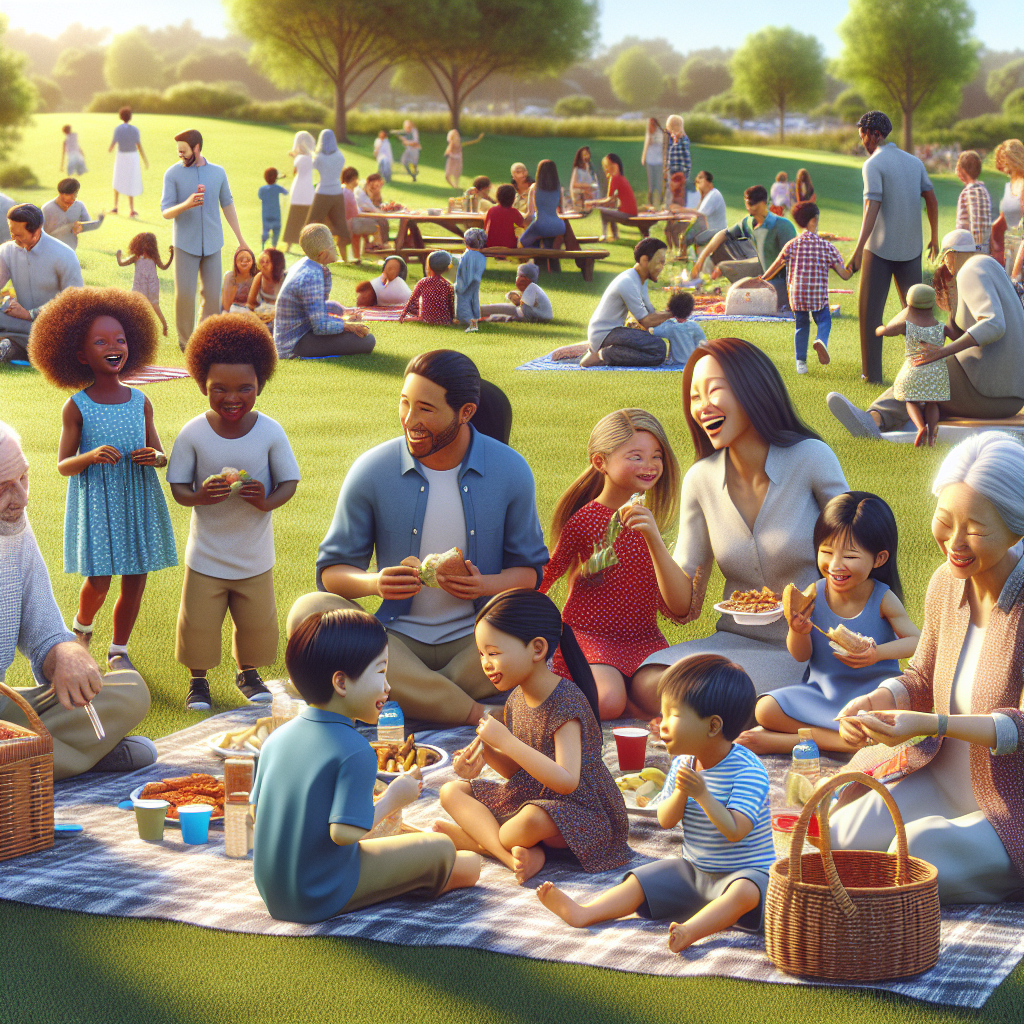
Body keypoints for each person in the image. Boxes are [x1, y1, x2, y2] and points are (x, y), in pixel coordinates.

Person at [290, 349, 549, 726]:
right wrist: (376, 583)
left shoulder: (511, 470)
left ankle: (393, 692)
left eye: (426, 409)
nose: (410, 420)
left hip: (478, 646)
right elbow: (332, 574)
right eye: (405, 403)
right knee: (309, 611)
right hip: (390, 643)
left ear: (465, 412)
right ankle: (471, 711)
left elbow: (529, 574)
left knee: (541, 623)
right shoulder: (372, 469)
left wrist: (483, 586)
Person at [830, 434, 1024, 905]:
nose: (954, 543)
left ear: (1016, 528)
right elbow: (920, 677)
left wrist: (932, 723)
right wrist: (877, 700)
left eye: (974, 529)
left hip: (1009, 804)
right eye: (945, 521)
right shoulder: (945, 584)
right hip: (941, 776)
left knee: (912, 857)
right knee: (837, 835)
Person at [628, 338, 848, 709]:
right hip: (734, 645)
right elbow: (683, 606)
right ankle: (723, 714)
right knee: (647, 681)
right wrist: (651, 535)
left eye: (714, 391)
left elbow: (858, 547)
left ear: (752, 389)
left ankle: (722, 714)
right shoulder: (701, 479)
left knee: (722, 698)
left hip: (809, 644)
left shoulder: (810, 457)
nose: (703, 407)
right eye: (695, 397)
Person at [251, 607, 478, 923]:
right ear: (341, 683)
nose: (387, 686)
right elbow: (345, 833)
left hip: (273, 890)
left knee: (418, 847)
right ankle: (424, 879)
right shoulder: (355, 750)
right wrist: (394, 798)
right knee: (450, 853)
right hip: (321, 893)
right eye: (380, 671)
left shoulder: (276, 738)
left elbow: (256, 813)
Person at [537, 654, 774, 955]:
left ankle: (691, 931)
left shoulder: (748, 771)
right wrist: (681, 793)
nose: (662, 724)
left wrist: (702, 795)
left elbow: (735, 831)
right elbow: (665, 820)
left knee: (745, 891)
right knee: (643, 878)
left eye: (673, 715)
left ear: (713, 725)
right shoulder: (683, 763)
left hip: (745, 873)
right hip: (696, 872)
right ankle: (585, 913)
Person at [435, 589, 631, 884]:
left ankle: (480, 841)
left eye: (494, 653)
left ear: (537, 649)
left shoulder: (566, 703)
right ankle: (511, 857)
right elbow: (519, 771)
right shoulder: (516, 700)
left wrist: (506, 741)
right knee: (451, 792)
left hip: (581, 812)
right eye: (481, 654)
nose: (485, 663)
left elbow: (567, 781)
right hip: (534, 797)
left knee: (517, 827)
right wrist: (486, 752)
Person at [28, 286, 177, 671]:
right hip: (98, 502)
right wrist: (91, 456)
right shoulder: (77, 406)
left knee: (136, 579)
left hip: (137, 498)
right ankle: (81, 630)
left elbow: (161, 454)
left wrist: (155, 458)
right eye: (101, 341)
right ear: (80, 355)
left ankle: (119, 650)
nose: (114, 347)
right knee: (99, 580)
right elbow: (63, 465)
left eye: (120, 339)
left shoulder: (141, 401)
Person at [0, 420, 157, 778]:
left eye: (23, 477)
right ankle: (79, 758)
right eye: (3, 488)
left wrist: (67, 654)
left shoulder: (13, 525)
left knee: (130, 691)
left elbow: (44, 633)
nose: (22, 499)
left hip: (4, 710)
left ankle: (36, 761)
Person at [168, 314, 301, 710]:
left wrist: (266, 501)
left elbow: (289, 482)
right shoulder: (193, 433)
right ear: (202, 385)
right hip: (206, 555)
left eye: (245, 388)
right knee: (198, 623)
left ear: (260, 383)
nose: (232, 398)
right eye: (219, 389)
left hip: (254, 555)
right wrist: (198, 495)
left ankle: (249, 673)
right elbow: (178, 488)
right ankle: (198, 681)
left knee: (257, 622)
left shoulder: (270, 432)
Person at [738, 492, 918, 756]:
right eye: (827, 552)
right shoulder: (813, 594)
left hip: (871, 696)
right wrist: (797, 631)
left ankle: (789, 741)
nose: (835, 565)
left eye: (850, 556)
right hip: (823, 693)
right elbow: (801, 656)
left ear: (879, 559)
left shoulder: (882, 598)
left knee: (888, 718)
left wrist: (877, 653)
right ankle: (839, 741)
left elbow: (916, 642)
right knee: (765, 709)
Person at [540, 409, 684, 718]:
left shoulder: (651, 522)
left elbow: (665, 598)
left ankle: (634, 701)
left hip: (644, 638)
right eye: (636, 457)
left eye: (656, 456)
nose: (649, 465)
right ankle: (611, 700)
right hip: (590, 636)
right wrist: (518, 625)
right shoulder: (585, 520)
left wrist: (653, 537)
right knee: (607, 701)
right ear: (600, 462)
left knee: (683, 697)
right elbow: (549, 573)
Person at [827, 229, 1024, 439]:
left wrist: (943, 351)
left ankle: (873, 420)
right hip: (1012, 396)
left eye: (945, 259)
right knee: (928, 383)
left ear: (951, 254)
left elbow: (994, 324)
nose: (946, 265)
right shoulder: (991, 265)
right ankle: (893, 417)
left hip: (988, 394)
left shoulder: (969, 270)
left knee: (919, 369)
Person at [846, 111, 939, 383]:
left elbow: (872, 206)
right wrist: (934, 236)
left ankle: (871, 375)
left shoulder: (872, 164)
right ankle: (924, 372)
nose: (862, 141)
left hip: (878, 250)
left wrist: (858, 250)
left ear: (874, 134)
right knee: (918, 313)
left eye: (863, 135)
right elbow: (931, 199)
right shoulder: (914, 162)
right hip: (912, 249)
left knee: (870, 315)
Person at [160, 128, 249, 353]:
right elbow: (166, 212)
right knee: (185, 295)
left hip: (212, 243)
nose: (180, 154)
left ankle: (205, 339)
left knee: (212, 296)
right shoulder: (172, 174)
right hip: (185, 244)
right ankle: (185, 342)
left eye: (184, 150)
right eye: (178, 150)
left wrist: (241, 240)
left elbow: (227, 204)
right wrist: (186, 204)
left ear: (197, 148)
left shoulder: (218, 172)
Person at [760, 201, 852, 374]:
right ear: (814, 220)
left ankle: (801, 363)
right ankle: (821, 340)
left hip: (797, 295)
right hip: (817, 295)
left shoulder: (792, 245)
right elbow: (844, 274)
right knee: (824, 320)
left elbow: (776, 265)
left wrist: (762, 279)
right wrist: (853, 268)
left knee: (801, 326)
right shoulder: (826, 247)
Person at [273, 223, 375, 358]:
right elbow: (320, 327)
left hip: (297, 334)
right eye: (333, 245)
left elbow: (315, 306)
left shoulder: (307, 263)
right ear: (323, 253)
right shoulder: (312, 274)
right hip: (295, 343)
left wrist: (343, 311)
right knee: (368, 341)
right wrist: (349, 326)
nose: (336, 247)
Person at [0, 203, 84, 363]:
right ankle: (14, 347)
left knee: (62, 335)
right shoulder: (6, 251)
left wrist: (30, 314)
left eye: (18, 234)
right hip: (19, 323)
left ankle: (14, 347)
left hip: (52, 324)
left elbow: (74, 301)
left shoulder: (64, 254)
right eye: (11, 233)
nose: (13, 238)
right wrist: (5, 302)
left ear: (36, 231)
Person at [875, 283, 956, 447]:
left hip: (914, 370)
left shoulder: (906, 326)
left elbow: (884, 331)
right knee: (932, 402)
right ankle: (931, 434)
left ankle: (920, 427)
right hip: (936, 374)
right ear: (933, 304)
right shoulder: (942, 328)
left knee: (910, 400)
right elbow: (959, 338)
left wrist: (880, 328)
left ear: (909, 305)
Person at [691, 185, 797, 310]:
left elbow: (790, 260)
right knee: (724, 268)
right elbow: (723, 234)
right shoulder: (748, 223)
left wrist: (763, 280)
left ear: (763, 203)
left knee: (746, 298)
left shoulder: (782, 226)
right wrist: (700, 261)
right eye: (747, 203)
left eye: (752, 204)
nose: (748, 207)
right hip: (762, 270)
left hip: (783, 281)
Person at [581, 237, 672, 367]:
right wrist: (673, 313)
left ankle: (606, 353)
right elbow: (645, 321)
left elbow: (650, 312)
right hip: (605, 333)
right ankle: (604, 355)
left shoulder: (640, 280)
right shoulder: (628, 281)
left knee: (655, 345)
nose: (661, 267)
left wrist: (667, 315)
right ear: (645, 260)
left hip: (614, 331)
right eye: (660, 262)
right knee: (658, 348)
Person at [116, 232, 173, 336]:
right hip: (139, 284)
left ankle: (164, 326)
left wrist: (171, 256)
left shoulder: (153, 257)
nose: (145, 245)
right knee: (134, 304)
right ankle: (130, 326)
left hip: (151, 284)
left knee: (154, 305)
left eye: (148, 243)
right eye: (143, 243)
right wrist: (118, 257)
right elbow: (121, 263)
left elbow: (163, 267)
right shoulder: (136, 257)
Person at [305, 129, 351, 259]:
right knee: (340, 225)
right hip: (337, 192)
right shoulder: (340, 156)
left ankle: (309, 251)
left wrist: (310, 151)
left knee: (312, 222)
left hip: (323, 192)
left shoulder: (319, 157)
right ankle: (344, 257)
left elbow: (313, 165)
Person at [666, 169, 727, 259]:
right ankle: (685, 256)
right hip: (709, 227)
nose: (697, 182)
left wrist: (680, 209)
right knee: (685, 235)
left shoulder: (713, 195)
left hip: (715, 230)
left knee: (692, 238)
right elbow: (698, 212)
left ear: (709, 182)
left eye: (700, 179)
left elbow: (699, 213)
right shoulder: (707, 195)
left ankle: (692, 258)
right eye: (697, 181)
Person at [586, 154, 638, 242]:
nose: (606, 169)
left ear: (615, 166)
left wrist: (591, 203)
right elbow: (612, 200)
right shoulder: (621, 178)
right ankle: (614, 235)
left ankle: (604, 236)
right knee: (610, 210)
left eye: (607, 166)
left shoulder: (614, 178)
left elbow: (609, 199)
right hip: (631, 212)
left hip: (627, 214)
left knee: (604, 212)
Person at [42, 178, 104, 251]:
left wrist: (81, 227)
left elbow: (88, 224)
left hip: (70, 250)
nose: (68, 205)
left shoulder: (79, 206)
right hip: (50, 249)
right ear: (60, 193)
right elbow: (42, 234)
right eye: (66, 202)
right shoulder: (47, 209)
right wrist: (70, 227)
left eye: (73, 200)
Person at [480, 261, 551, 323]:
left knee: (497, 314)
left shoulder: (531, 289)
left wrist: (516, 300)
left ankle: (483, 316)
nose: (518, 279)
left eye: (521, 276)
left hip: (532, 316)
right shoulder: (532, 289)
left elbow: (524, 313)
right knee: (492, 308)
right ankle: (480, 310)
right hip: (530, 314)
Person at [991, 139, 1023, 276]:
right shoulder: (1008, 185)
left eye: (1003, 159)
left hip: (1021, 251)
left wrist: (1017, 268)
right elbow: (1004, 218)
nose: (1001, 163)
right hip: (1009, 249)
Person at [519, 159, 567, 250]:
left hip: (540, 225)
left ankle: (538, 256)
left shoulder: (534, 188)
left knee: (522, 243)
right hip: (558, 226)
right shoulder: (559, 189)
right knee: (548, 245)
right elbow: (561, 211)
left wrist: (521, 217)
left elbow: (530, 213)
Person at [107, 107, 147, 218]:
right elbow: (138, 145)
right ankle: (131, 210)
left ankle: (115, 207)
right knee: (131, 180)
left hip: (121, 156)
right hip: (132, 156)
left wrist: (110, 149)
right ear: (130, 117)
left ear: (120, 117)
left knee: (117, 179)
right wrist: (144, 159)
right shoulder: (134, 129)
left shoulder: (118, 129)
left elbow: (112, 144)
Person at [400, 250, 456, 326]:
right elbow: (451, 306)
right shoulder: (448, 285)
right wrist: (451, 319)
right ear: (446, 268)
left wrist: (403, 314)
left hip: (426, 319)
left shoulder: (423, 282)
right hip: (443, 320)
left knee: (415, 309)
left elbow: (412, 301)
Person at [282, 131, 316, 253]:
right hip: (308, 190)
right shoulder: (312, 159)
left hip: (298, 189)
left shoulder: (299, 159)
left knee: (294, 217)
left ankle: (289, 245)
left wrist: (294, 156)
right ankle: (308, 246)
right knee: (306, 219)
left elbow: (295, 172)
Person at [652, 291, 707, 364]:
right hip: (692, 363)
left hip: (676, 363)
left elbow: (653, 331)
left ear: (671, 309)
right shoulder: (695, 326)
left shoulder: (670, 327)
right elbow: (703, 344)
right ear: (690, 310)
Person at [954, 151, 992, 254]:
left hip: (971, 249)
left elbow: (964, 227)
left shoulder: (969, 192)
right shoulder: (983, 190)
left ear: (961, 170)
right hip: (984, 248)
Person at [341, 166, 378, 262]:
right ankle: (378, 248)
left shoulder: (344, 190)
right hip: (349, 223)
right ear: (353, 179)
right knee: (377, 225)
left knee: (361, 226)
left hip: (347, 221)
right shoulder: (348, 192)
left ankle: (357, 256)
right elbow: (355, 212)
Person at [455, 228, 487, 332]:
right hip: (476, 281)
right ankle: (475, 320)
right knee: (474, 300)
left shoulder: (467, 256)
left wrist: (459, 287)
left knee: (464, 301)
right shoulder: (481, 257)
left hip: (465, 283)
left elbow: (465, 273)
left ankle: (466, 321)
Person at [246, 248, 286, 319]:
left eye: (267, 262)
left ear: (277, 264)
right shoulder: (259, 277)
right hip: (262, 315)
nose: (263, 265)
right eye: (262, 262)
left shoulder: (285, 279)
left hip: (280, 316)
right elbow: (250, 302)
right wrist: (259, 312)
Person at [354, 172, 388, 247]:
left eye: (380, 186)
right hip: (358, 219)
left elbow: (376, 205)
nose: (378, 189)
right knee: (382, 221)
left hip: (364, 216)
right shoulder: (361, 194)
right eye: (376, 186)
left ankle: (379, 243)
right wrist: (386, 213)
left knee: (383, 221)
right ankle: (380, 244)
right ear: (369, 183)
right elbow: (372, 209)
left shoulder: (368, 193)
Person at [258, 168, 288, 249]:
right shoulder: (277, 188)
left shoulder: (262, 189)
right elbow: (286, 192)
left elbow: (260, 196)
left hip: (266, 214)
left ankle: (263, 246)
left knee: (265, 230)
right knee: (276, 231)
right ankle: (274, 247)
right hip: (276, 214)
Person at [221, 246, 256, 314]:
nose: (244, 262)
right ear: (236, 262)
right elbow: (226, 306)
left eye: (248, 260)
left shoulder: (255, 277)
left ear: (252, 262)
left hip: (250, 311)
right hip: (232, 310)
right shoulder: (230, 277)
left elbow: (256, 303)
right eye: (241, 260)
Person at [664, 115, 691, 200]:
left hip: (681, 169)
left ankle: (681, 204)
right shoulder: (669, 139)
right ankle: (670, 205)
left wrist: (686, 170)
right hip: (671, 169)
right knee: (670, 189)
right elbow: (668, 154)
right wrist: (666, 168)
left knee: (681, 190)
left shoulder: (683, 138)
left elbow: (686, 155)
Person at [641, 118, 664, 206]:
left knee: (659, 183)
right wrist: (643, 157)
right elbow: (646, 145)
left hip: (659, 162)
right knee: (651, 185)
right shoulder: (648, 133)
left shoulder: (660, 133)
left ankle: (661, 202)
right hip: (650, 161)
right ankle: (650, 203)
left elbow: (659, 143)